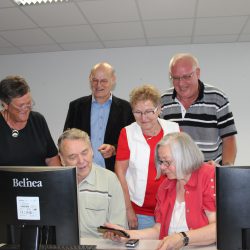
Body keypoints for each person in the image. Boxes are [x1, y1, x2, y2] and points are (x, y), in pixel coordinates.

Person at [103, 132, 216, 250]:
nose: (162, 167)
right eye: (161, 162)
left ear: (185, 157)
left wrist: (182, 237)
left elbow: (217, 228)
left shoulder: (208, 176)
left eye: (167, 162)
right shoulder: (165, 186)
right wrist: (127, 234)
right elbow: (158, 230)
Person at [115, 84, 179, 230]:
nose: (143, 118)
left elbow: (184, 167)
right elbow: (120, 174)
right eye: (137, 112)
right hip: (140, 211)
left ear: (159, 109)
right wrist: (128, 209)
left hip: (171, 207)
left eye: (149, 111)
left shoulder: (174, 129)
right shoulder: (127, 133)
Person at [161, 53, 237, 166]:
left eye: (186, 77)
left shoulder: (217, 98)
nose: (181, 83)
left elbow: (229, 138)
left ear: (197, 73)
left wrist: (225, 170)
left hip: (209, 174)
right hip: (176, 175)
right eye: (176, 78)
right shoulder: (163, 101)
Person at [63, 62, 134, 172]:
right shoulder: (76, 107)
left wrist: (114, 149)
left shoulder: (126, 109)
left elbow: (132, 142)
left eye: (104, 81)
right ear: (90, 79)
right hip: (81, 171)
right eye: (95, 80)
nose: (98, 85)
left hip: (114, 173)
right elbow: (66, 140)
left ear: (113, 80)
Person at [58, 128, 127, 238]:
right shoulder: (55, 184)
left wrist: (114, 232)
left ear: (92, 151)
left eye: (84, 153)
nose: (81, 161)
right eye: (72, 157)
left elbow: (119, 228)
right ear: (61, 159)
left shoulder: (110, 180)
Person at [0, 75, 60, 166]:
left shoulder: (37, 120)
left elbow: (51, 158)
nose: (26, 109)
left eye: (28, 103)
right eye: (20, 106)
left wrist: (58, 179)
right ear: (5, 105)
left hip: (39, 180)